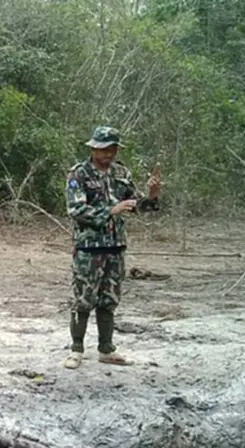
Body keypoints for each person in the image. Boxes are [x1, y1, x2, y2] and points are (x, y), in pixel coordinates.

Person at [63, 126, 161, 369]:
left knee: (109, 298)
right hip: (89, 246)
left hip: (115, 246)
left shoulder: (121, 173)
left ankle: (106, 348)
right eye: (103, 149)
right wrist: (110, 210)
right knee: (83, 298)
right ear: (93, 148)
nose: (108, 154)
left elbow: (135, 205)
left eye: (112, 149)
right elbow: (76, 210)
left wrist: (152, 195)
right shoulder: (79, 174)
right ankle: (76, 350)